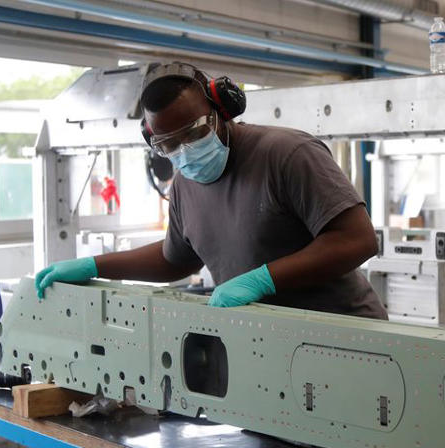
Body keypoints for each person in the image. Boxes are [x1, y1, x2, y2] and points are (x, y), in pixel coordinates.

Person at [35, 62, 387, 320]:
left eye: (195, 132)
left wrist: (262, 280)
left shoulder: (287, 154)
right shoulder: (185, 185)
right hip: (267, 339)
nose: (185, 150)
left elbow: (357, 240)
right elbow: (174, 258)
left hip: (344, 332)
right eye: (169, 144)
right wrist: (94, 266)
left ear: (222, 110)